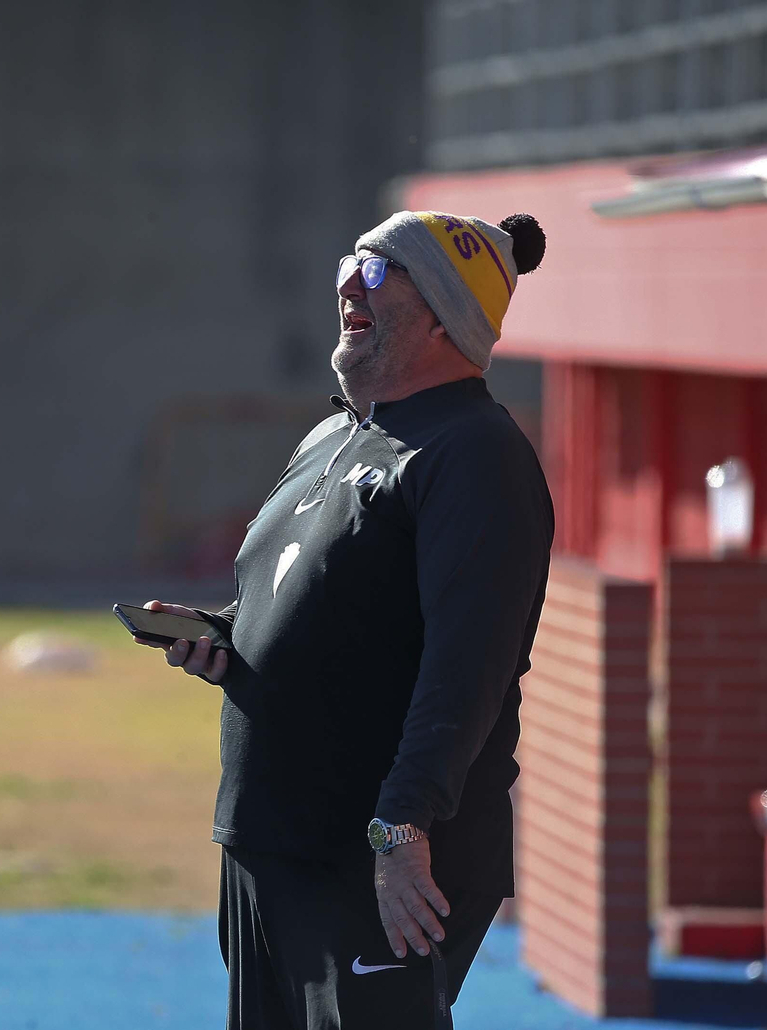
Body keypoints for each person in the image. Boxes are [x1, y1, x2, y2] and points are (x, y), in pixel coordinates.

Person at [142, 210, 554, 1029]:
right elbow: (334, 610)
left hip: (370, 852)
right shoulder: (335, 434)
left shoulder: (474, 452)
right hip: (269, 841)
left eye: (377, 271)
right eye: (349, 263)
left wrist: (402, 826)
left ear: (443, 314)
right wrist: (230, 639)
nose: (346, 285)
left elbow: (468, 666)